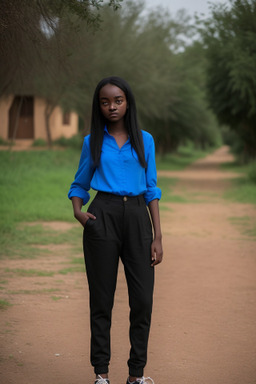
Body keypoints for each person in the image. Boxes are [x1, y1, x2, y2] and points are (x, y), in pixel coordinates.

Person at [68, 76, 163, 384]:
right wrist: (79, 212)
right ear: (99, 105)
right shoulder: (91, 141)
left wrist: (157, 236)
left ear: (127, 103)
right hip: (102, 216)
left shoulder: (144, 139)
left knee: (143, 301)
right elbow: (79, 183)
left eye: (118, 100)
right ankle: (102, 374)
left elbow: (151, 188)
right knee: (101, 299)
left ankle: (136, 374)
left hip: (137, 218)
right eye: (105, 101)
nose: (112, 106)